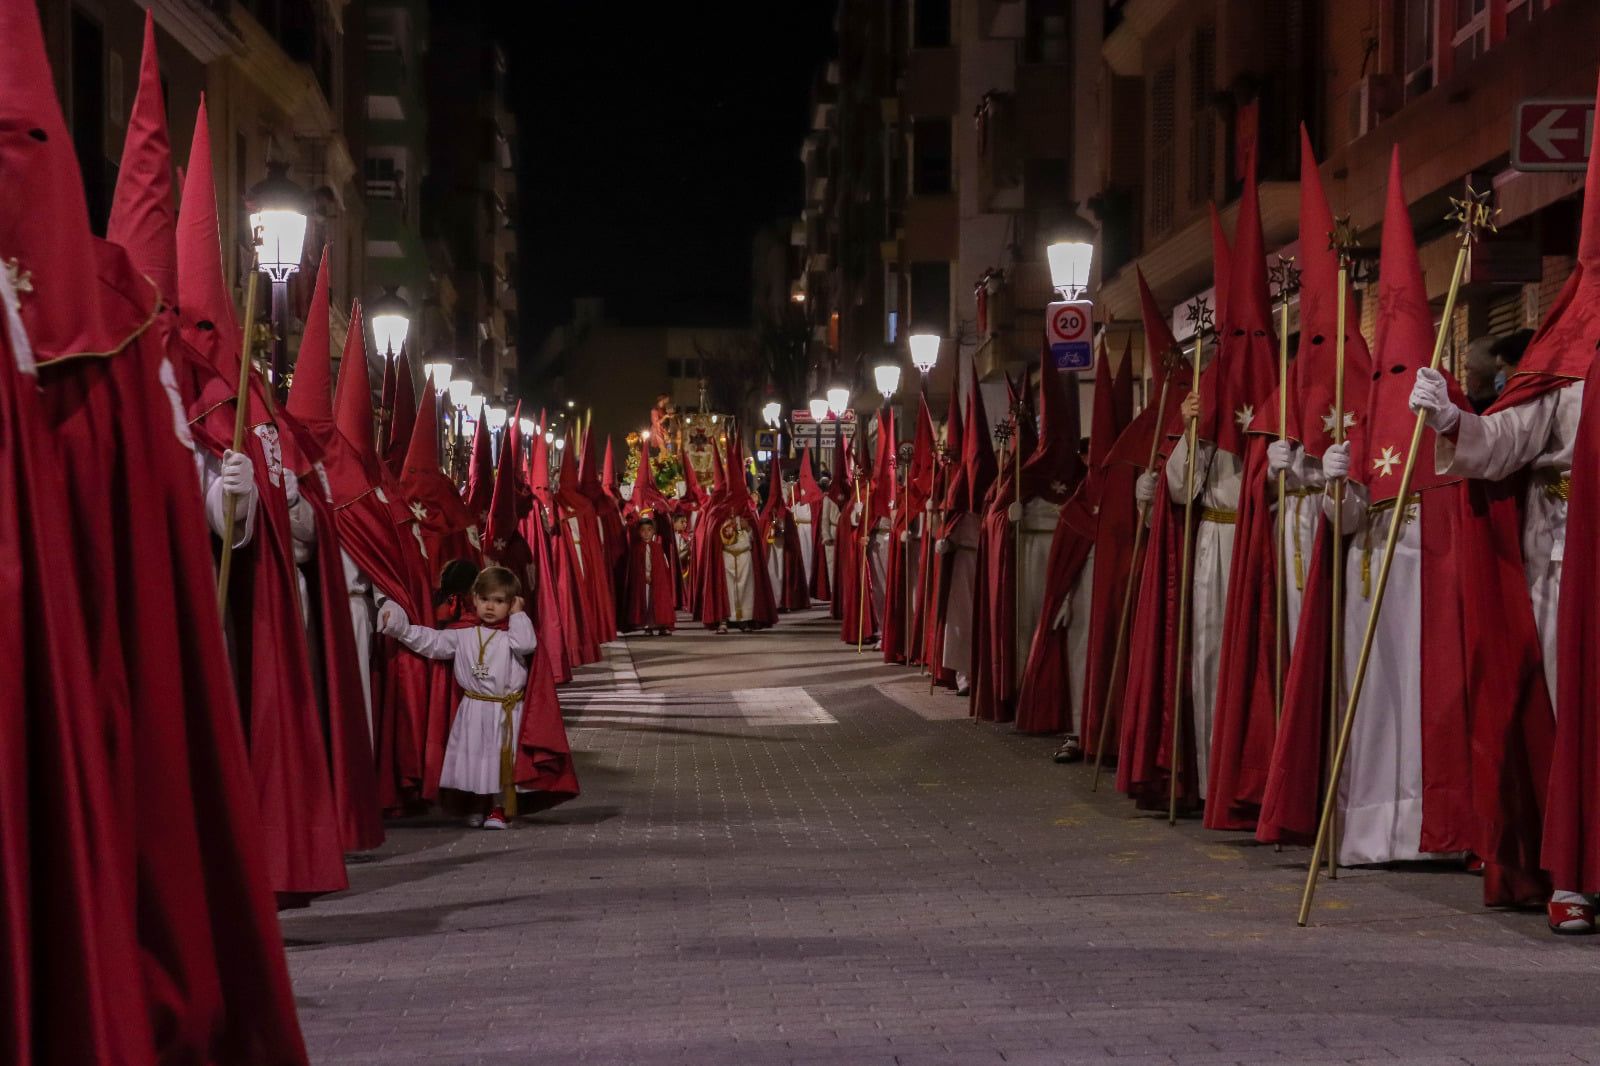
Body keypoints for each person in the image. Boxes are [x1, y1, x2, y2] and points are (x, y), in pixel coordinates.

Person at [378, 567, 536, 830]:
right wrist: (401, 630)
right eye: (485, 599)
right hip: (473, 708)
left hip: (503, 711)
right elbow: (433, 642)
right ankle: (477, 806)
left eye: (499, 602)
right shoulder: (462, 635)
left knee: (499, 761)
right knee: (474, 759)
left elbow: (527, 644)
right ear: (474, 599)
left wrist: (519, 613)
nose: (490, 607)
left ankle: (499, 808)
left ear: (510, 603)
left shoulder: (512, 637)